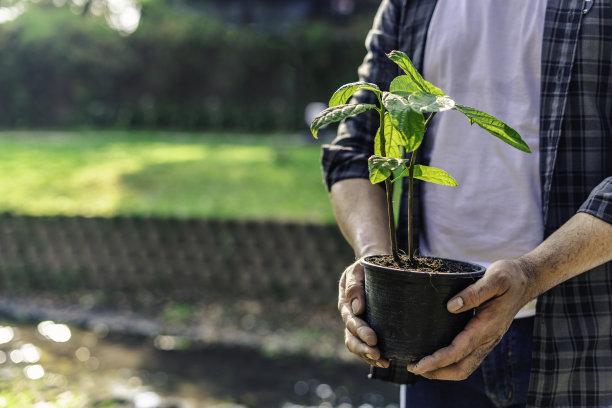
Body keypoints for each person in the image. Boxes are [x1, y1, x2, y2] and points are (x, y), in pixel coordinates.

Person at [321, 1, 612, 407]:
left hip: (584, 338)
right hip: (428, 328)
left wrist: (531, 274)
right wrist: (378, 269)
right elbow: (355, 150)